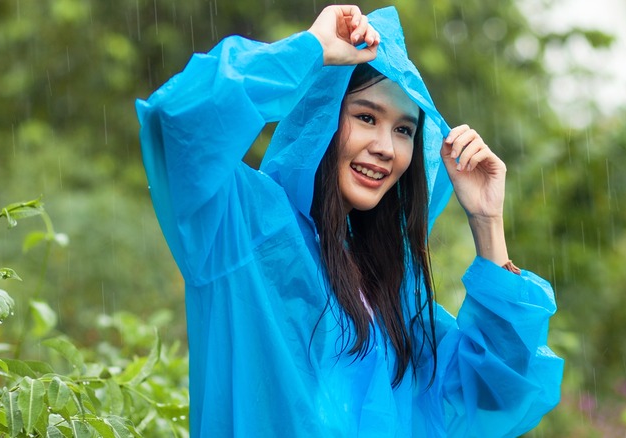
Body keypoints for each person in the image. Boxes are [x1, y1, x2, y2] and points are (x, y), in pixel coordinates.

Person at [136, 5, 563, 437]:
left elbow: (495, 392)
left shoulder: (389, 293)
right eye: (366, 117)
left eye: (404, 130)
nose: (386, 147)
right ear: (320, 119)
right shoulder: (245, 227)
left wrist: (487, 222)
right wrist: (310, 49)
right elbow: (177, 122)